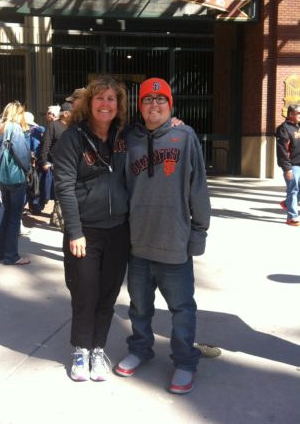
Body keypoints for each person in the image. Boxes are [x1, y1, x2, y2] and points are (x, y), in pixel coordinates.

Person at [114, 77, 211, 395]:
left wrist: (199, 233)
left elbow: (198, 188)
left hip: (175, 242)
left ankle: (185, 361)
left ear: (171, 105)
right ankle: (140, 348)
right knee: (139, 307)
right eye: (147, 100)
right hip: (139, 243)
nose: (154, 105)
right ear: (139, 106)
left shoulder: (185, 136)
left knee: (182, 308)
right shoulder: (130, 139)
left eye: (161, 100)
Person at [53, 75, 130, 382]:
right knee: (85, 293)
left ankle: (98, 349)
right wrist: (74, 231)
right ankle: (80, 350)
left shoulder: (125, 136)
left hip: (119, 230)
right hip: (86, 231)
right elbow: (64, 186)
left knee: (108, 295)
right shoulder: (73, 137)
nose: (105, 104)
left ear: (118, 105)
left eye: (111, 98)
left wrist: (174, 123)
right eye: (100, 98)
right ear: (89, 103)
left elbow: (156, 132)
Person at [0, 101, 31, 265]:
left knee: (7, 213)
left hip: (2, 175)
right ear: (16, 113)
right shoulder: (15, 128)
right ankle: (11, 255)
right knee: (14, 216)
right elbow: (22, 154)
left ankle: (1, 252)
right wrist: (28, 170)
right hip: (15, 177)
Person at [40, 102, 72, 228]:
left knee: (64, 192)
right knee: (60, 192)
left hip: (69, 163)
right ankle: (60, 219)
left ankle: (55, 217)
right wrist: (44, 161)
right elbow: (46, 145)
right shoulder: (53, 125)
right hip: (56, 164)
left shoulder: (72, 127)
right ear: (65, 114)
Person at [276, 104, 300, 226]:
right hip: (292, 165)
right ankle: (292, 217)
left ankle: (287, 203)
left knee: (295, 191)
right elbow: (282, 151)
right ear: (291, 114)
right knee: (293, 190)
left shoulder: (298, 126)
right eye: (298, 113)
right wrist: (287, 168)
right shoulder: (283, 128)